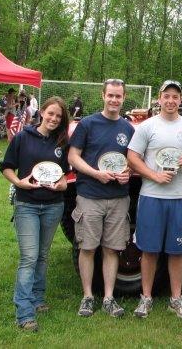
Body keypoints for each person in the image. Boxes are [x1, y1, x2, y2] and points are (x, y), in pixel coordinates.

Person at [127, 80, 182, 319]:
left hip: (180, 197)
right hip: (152, 196)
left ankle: (176, 298)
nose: (171, 101)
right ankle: (146, 298)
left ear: (180, 101)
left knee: (177, 250)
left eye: (175, 97)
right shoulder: (147, 126)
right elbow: (132, 157)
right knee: (149, 250)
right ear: (159, 99)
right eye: (167, 96)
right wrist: (153, 175)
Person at [0, 97, 70, 332]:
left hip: (53, 205)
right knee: (29, 257)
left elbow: (64, 174)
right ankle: (24, 311)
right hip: (27, 204)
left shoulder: (62, 141)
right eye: (51, 114)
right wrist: (18, 182)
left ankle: (38, 298)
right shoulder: (23, 137)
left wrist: (62, 185)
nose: (53, 119)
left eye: (58, 116)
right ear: (41, 112)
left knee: (42, 255)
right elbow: (6, 166)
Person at [68, 79, 134, 318]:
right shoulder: (87, 124)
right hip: (90, 195)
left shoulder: (129, 129)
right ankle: (87, 297)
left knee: (112, 249)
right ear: (102, 96)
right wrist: (96, 173)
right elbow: (73, 156)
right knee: (87, 247)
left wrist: (129, 174)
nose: (114, 100)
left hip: (118, 198)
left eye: (118, 96)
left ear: (124, 98)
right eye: (110, 95)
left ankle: (108, 297)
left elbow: (133, 162)